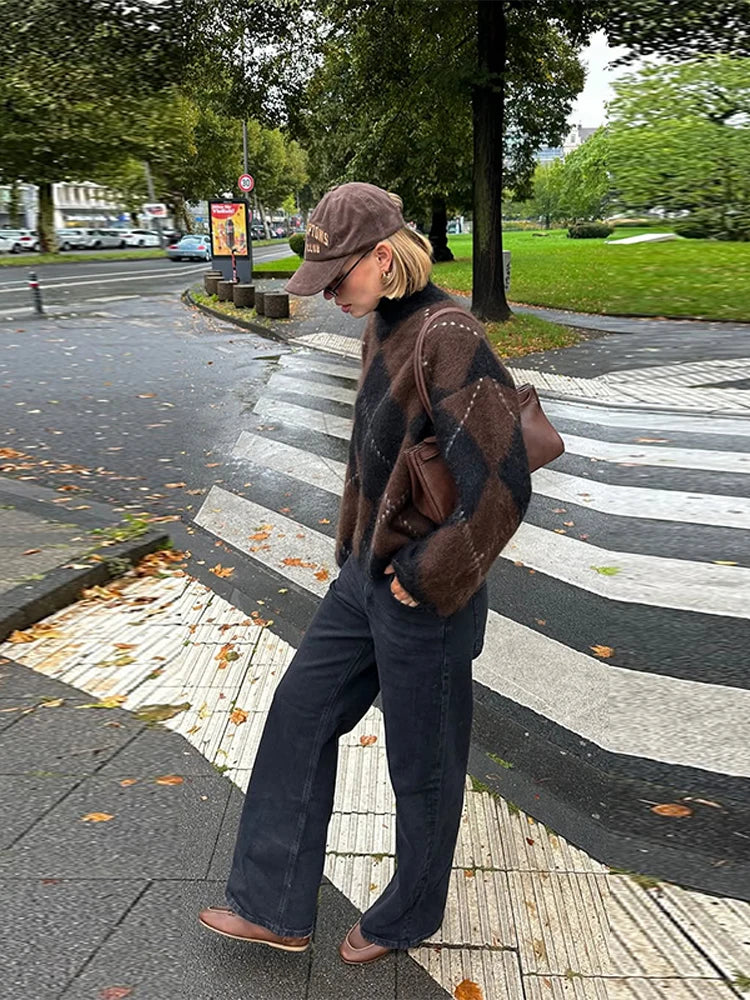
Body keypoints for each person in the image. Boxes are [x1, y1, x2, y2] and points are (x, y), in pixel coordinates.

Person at [199, 182, 531, 964]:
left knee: (422, 768)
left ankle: (408, 916)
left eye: (336, 277)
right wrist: (357, 552)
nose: (327, 295)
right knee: (299, 716)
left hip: (425, 593)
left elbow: (504, 485)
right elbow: (377, 461)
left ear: (384, 256)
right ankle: (275, 908)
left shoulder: (450, 333)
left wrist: (425, 576)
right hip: (364, 578)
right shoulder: (383, 321)